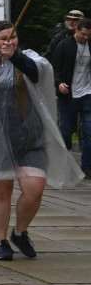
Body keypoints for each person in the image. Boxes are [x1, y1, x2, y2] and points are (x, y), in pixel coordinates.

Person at [0, 21, 83, 260]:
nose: (8, 42)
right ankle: (1, 241)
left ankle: (20, 232)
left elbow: (39, 73)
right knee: (1, 191)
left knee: (34, 189)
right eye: (3, 39)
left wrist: (15, 57)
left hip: (28, 137)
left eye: (12, 38)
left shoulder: (29, 59)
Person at [52, 17, 91, 176]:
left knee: (89, 131)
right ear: (77, 30)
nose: (86, 38)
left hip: (88, 94)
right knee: (66, 131)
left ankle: (87, 166)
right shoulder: (64, 45)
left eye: (89, 35)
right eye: (83, 34)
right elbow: (55, 68)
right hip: (69, 95)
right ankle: (63, 164)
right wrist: (59, 83)